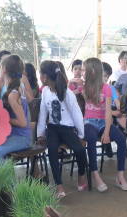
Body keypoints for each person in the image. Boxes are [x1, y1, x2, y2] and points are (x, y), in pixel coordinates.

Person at [37, 60, 88, 198]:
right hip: (52, 128)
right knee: (52, 151)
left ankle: (81, 175)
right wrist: (40, 134)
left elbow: (76, 114)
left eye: (40, 73)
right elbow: (43, 114)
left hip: (67, 128)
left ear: (45, 77)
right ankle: (59, 185)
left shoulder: (67, 93)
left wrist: (81, 134)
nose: (40, 76)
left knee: (79, 150)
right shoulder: (45, 91)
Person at [82, 58, 127, 192]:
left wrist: (107, 132)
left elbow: (108, 112)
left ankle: (120, 176)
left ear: (92, 71)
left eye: (84, 70)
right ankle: (95, 174)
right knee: (91, 139)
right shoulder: (83, 86)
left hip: (103, 121)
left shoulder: (106, 88)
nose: (81, 72)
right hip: (88, 122)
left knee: (121, 139)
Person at [102, 62, 126, 130]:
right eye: (104, 76)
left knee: (122, 117)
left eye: (107, 77)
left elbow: (116, 101)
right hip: (102, 111)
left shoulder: (111, 88)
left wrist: (120, 109)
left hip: (112, 108)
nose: (106, 79)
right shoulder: (94, 89)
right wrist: (112, 113)